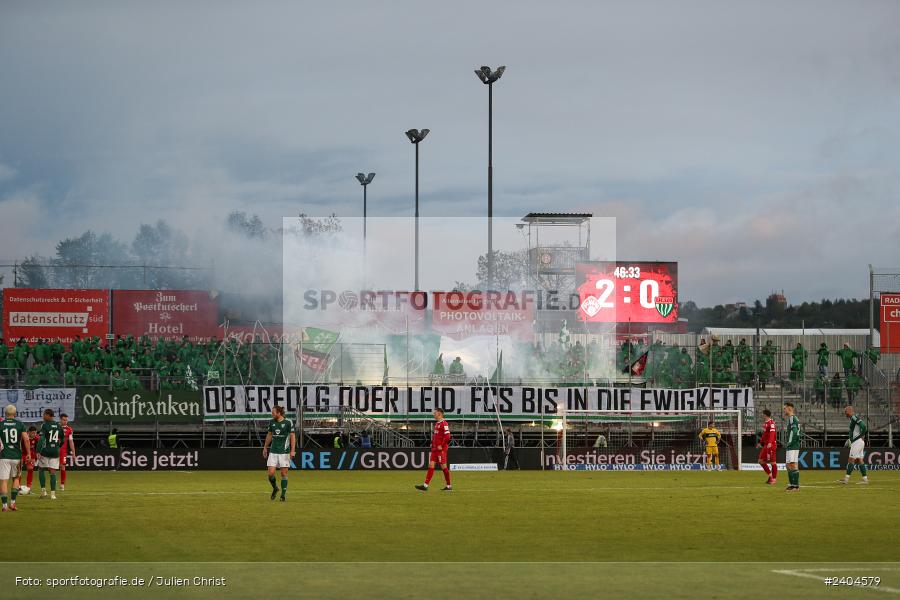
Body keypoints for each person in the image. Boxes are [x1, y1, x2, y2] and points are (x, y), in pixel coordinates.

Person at [262, 406, 296, 502]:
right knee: (270, 474)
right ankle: (275, 488)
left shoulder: (288, 422)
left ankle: (283, 495)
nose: (272, 414)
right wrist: (265, 447)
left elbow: (292, 436)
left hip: (284, 452)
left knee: (283, 473)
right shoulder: (271, 422)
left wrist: (293, 450)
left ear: (279, 413)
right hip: (273, 451)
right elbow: (269, 435)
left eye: (273, 413)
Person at [1, 405, 30, 512]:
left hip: (4, 456)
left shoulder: (1, 424)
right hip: (16, 456)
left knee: (4, 481)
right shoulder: (20, 424)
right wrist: (28, 453)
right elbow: (26, 439)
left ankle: (4, 506)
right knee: (16, 478)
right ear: (15, 413)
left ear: (5, 413)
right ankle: (12, 503)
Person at [416, 408, 452, 492]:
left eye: (435, 413)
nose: (434, 414)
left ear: (440, 414)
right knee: (431, 465)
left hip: (441, 450)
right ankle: (425, 485)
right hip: (435, 449)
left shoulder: (444, 423)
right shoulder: (437, 424)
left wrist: (441, 445)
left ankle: (449, 486)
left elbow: (448, 436)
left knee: (444, 467)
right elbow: (436, 436)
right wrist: (433, 443)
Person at [37, 408, 64, 500]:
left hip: (45, 451)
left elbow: (41, 439)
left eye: (44, 414)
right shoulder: (59, 426)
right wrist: (57, 446)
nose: (43, 416)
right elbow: (62, 439)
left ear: (48, 415)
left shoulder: (45, 425)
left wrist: (38, 451)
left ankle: (44, 491)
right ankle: (53, 495)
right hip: (55, 451)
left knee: (41, 469)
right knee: (53, 472)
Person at [839, 405, 868, 485]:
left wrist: (861, 435)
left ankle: (846, 479)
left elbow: (864, 426)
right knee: (859, 460)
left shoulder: (854, 418)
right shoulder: (852, 419)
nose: (845, 413)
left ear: (850, 411)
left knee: (851, 460)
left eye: (846, 411)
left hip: (857, 442)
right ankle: (865, 480)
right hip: (859, 442)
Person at [756, 409, 778, 485]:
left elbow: (772, 433)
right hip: (766, 445)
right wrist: (760, 443)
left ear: (765, 415)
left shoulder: (771, 423)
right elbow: (764, 435)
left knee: (773, 462)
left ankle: (774, 479)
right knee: (760, 461)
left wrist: (770, 443)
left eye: (762, 414)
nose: (762, 415)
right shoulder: (765, 424)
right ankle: (770, 476)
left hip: (771, 445)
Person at [783, 403, 801, 492]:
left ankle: (796, 486)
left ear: (789, 408)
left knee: (792, 465)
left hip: (793, 445)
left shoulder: (792, 418)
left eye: (785, 408)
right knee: (788, 465)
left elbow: (794, 431)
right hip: (791, 445)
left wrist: (790, 442)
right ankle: (791, 484)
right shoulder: (792, 418)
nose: (784, 410)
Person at [58, 413, 76, 491]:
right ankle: (53, 481)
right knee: (52, 467)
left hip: (63, 451)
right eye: (64, 420)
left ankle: (62, 484)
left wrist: (73, 453)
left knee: (62, 466)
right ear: (60, 420)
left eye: (66, 420)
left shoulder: (69, 429)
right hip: (54, 450)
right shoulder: (55, 427)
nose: (65, 422)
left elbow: (71, 442)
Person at [21, 426, 39, 494]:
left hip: (31, 455)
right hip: (22, 454)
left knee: (30, 469)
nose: (34, 434)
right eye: (33, 433)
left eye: (35, 433)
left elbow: (37, 448)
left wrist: (34, 457)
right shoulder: (23, 438)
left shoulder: (37, 438)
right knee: (18, 471)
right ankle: (17, 488)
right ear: (28, 432)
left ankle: (28, 488)